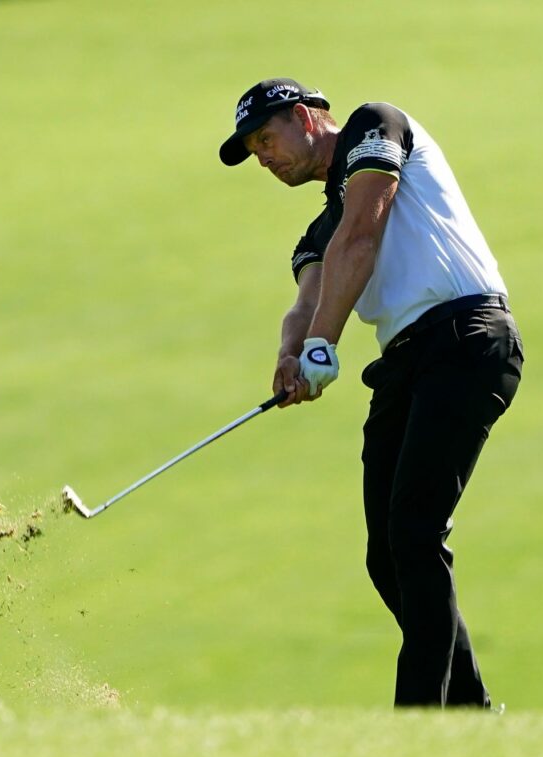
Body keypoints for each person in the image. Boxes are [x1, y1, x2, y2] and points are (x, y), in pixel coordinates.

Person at [218, 78, 523, 709]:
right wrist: (290, 356)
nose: (263, 157)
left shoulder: (373, 125)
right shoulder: (318, 228)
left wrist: (323, 347)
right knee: (387, 556)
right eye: (253, 150)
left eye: (267, 138)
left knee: (414, 531)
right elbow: (307, 300)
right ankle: (474, 715)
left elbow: (363, 236)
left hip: (467, 338)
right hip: (409, 361)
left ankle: (419, 729)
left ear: (305, 117)